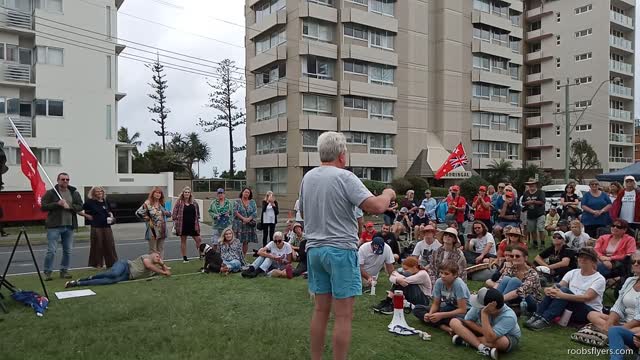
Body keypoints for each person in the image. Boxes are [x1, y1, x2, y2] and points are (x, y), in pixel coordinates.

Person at [298, 131, 396, 360]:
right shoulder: (345, 177)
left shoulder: (308, 178)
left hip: (314, 251)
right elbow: (377, 206)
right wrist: (388, 193)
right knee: (343, 316)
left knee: (321, 311)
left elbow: (302, 212)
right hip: (340, 251)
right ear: (342, 155)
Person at [525, 247, 606, 331]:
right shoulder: (573, 272)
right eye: (580, 257)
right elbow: (559, 285)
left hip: (589, 311)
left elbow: (586, 298)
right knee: (557, 288)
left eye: (586, 258)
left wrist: (562, 295)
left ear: (593, 261)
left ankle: (545, 319)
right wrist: (549, 289)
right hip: (571, 306)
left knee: (563, 291)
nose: (582, 260)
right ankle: (537, 315)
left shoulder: (599, 279)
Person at [451, 287, 521, 359]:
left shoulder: (509, 316)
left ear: (491, 308)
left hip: (506, 336)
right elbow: (468, 320)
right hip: (485, 332)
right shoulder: (480, 303)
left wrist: (484, 314)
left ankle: (466, 339)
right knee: (454, 322)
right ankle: (482, 347)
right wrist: (484, 331)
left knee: (503, 342)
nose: (477, 306)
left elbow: (490, 338)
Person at [41, 172, 84, 281]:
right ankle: (47, 272)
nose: (65, 181)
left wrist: (69, 206)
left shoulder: (74, 193)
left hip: (69, 226)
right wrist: (57, 204)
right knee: (51, 250)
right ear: (58, 180)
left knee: (68, 250)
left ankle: (64, 271)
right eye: (63, 179)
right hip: (54, 226)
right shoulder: (51, 193)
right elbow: (43, 207)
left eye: (67, 179)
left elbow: (80, 206)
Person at [413, 261, 470, 336]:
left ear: (455, 275)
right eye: (441, 273)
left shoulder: (458, 284)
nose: (443, 276)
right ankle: (445, 328)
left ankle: (445, 325)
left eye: (446, 274)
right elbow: (436, 303)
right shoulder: (439, 282)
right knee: (417, 309)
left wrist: (441, 315)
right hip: (447, 308)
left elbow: (462, 310)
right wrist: (430, 314)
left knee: (455, 320)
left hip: (461, 312)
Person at [589, 250, 640, 333]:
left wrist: (620, 328)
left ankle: (610, 332)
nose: (635, 264)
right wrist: (609, 323)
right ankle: (612, 331)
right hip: (622, 321)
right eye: (633, 262)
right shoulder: (630, 281)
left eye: (639, 262)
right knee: (592, 314)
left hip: (637, 325)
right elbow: (618, 305)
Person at [64, 251, 171, 288]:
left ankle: (77, 283)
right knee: (113, 274)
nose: (158, 258)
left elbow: (168, 273)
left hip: (128, 276)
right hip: (125, 265)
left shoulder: (155, 269)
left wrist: (162, 265)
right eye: (157, 256)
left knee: (110, 281)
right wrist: (163, 271)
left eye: (159, 257)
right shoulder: (147, 257)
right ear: (152, 255)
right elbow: (148, 266)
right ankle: (87, 278)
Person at [486, 246, 542, 314]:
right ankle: (491, 303)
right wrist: (490, 296)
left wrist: (498, 300)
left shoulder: (533, 274)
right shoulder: (512, 268)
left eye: (517, 256)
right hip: (514, 298)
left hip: (531, 302)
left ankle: (498, 306)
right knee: (506, 279)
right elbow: (500, 282)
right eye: (512, 256)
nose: (514, 258)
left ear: (525, 258)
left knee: (515, 280)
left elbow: (519, 292)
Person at [82, 186, 117, 269]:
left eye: (101, 191)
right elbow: (79, 209)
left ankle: (112, 263)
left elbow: (110, 211)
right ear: (93, 193)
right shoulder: (90, 202)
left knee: (110, 245)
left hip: (107, 226)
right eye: (97, 191)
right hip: (96, 227)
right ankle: (97, 264)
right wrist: (87, 216)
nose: (99, 193)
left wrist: (111, 215)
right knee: (97, 245)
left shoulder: (105, 201)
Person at [136, 187, 171, 257]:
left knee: (161, 248)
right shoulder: (148, 203)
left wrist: (167, 213)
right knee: (153, 250)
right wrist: (147, 218)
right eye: (156, 192)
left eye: (159, 193)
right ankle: (153, 266)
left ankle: (161, 265)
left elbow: (169, 214)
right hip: (153, 228)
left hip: (162, 228)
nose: (158, 194)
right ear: (152, 193)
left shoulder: (162, 203)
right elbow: (138, 213)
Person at [171, 186, 202, 263]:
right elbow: (174, 213)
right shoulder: (179, 202)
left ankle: (201, 255)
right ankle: (185, 258)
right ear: (183, 193)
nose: (187, 194)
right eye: (185, 192)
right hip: (182, 225)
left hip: (193, 225)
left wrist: (197, 221)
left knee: (198, 239)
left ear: (190, 194)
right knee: (183, 241)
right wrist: (175, 220)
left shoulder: (194, 202)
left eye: (188, 192)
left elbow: (197, 214)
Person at [522, 178, 546, 250]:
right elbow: (523, 202)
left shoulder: (540, 192)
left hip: (540, 213)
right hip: (530, 214)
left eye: (532, 184)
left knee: (540, 228)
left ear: (536, 185)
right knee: (532, 230)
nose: (531, 186)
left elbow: (542, 202)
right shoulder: (526, 193)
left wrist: (533, 202)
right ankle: (535, 243)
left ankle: (542, 243)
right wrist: (526, 203)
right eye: (529, 185)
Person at [233, 187, 258, 255]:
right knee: (237, 241)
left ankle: (244, 257)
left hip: (248, 225)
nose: (246, 193)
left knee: (246, 241)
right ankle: (236, 256)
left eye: (248, 192)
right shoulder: (237, 201)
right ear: (242, 192)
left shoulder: (252, 202)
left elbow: (255, 212)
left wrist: (248, 219)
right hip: (238, 225)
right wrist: (243, 218)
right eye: (245, 192)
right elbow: (235, 211)